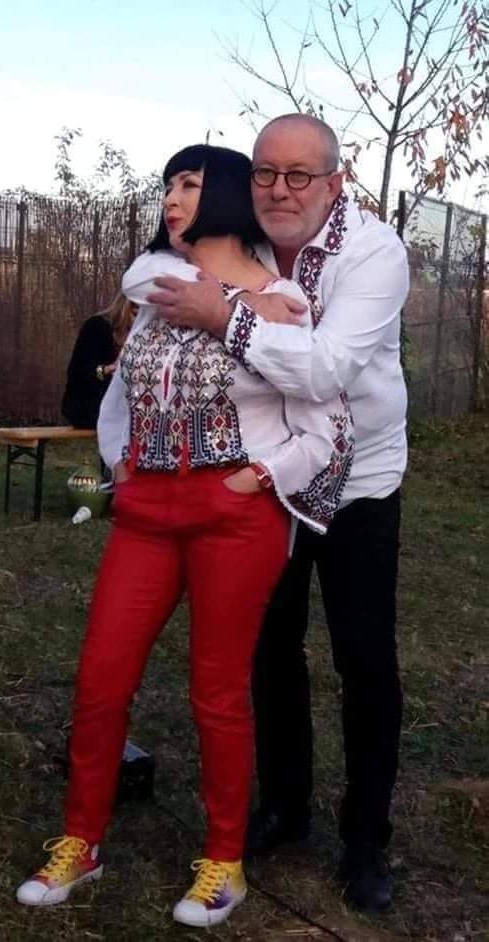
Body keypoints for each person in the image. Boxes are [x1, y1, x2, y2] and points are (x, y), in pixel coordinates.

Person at [15, 143, 353, 928]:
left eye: (189, 184)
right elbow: (121, 400)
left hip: (234, 516)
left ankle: (224, 861)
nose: (170, 197)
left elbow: (326, 425)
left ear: (226, 192)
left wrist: (261, 477)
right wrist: (120, 465)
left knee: (217, 691)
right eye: (167, 184)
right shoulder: (156, 289)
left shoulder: (282, 303)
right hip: (147, 515)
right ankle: (81, 842)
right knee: (101, 678)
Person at [145, 115, 410, 912]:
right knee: (270, 649)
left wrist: (226, 315)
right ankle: (286, 808)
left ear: (335, 182)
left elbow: (325, 370)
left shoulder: (375, 253)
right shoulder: (245, 247)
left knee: (364, 658)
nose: (280, 190)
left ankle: (365, 839)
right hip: (267, 481)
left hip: (360, 478)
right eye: (265, 172)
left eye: (300, 175)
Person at [61, 292, 136, 429]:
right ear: (125, 308)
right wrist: (107, 370)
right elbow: (78, 373)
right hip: (87, 405)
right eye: (135, 314)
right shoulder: (97, 326)